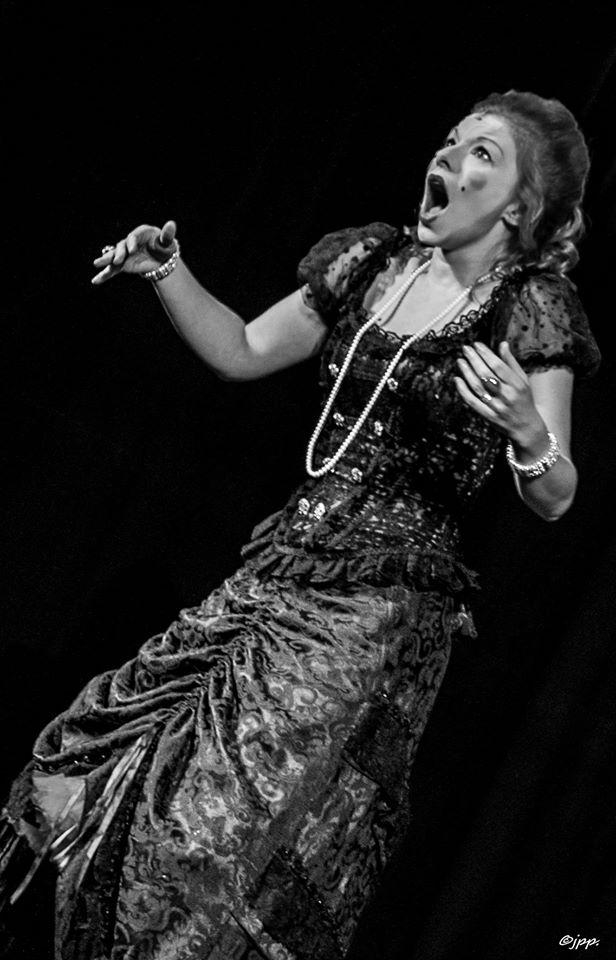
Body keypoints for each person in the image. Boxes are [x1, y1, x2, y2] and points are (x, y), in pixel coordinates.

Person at [0, 90, 601, 960]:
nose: (448, 155)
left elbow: (558, 495)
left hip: (372, 615)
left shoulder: (529, 307)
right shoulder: (373, 263)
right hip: (282, 568)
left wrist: (527, 434)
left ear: (520, 206)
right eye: (450, 139)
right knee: (98, 765)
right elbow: (243, 349)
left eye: (483, 153)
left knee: (211, 827)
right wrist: (168, 270)